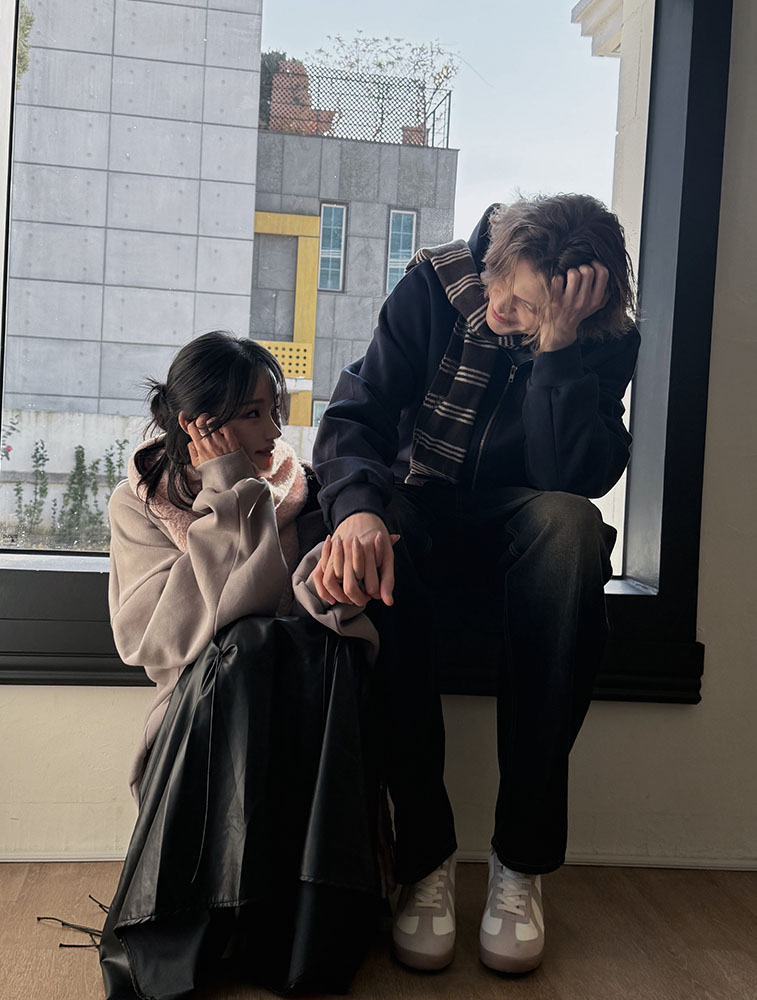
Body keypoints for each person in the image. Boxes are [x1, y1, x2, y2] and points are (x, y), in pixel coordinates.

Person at [311, 194, 641, 974]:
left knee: (571, 528)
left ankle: (520, 862)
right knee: (380, 548)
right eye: (502, 287)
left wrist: (555, 351)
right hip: (414, 501)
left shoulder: (599, 339)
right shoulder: (436, 284)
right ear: (492, 259)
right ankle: (423, 856)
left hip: (512, 515)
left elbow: (572, 476)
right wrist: (357, 511)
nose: (501, 311)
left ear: (575, 305)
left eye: (526, 309)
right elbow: (357, 413)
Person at [101, 331, 380, 999]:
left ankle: (296, 936)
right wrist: (231, 495)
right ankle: (208, 932)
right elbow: (158, 638)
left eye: (273, 410)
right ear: (195, 425)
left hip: (298, 710)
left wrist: (334, 582)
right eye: (252, 413)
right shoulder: (141, 501)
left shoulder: (303, 487)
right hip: (200, 722)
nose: (273, 431)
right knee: (247, 644)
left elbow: (305, 607)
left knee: (293, 649)